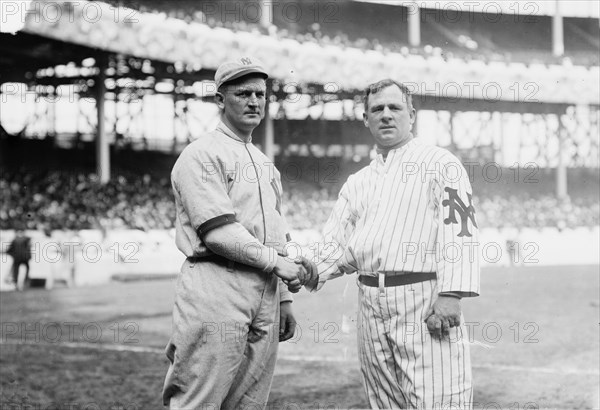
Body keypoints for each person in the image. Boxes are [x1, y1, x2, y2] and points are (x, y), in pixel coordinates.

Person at [307, 79, 480, 409]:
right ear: (365, 119)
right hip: (370, 301)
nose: (386, 115)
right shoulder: (358, 183)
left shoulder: (441, 163)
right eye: (377, 109)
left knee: (439, 400)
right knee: (385, 403)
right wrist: (305, 268)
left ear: (411, 115)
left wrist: (452, 294)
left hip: (422, 298)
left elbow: (461, 231)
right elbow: (335, 245)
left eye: (395, 107)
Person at [162, 57, 315, 410]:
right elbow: (217, 232)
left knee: (249, 402)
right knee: (198, 399)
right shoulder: (200, 154)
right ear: (220, 100)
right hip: (216, 284)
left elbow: (276, 233)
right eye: (243, 93)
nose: (254, 101)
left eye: (260, 94)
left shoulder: (264, 164)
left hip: (264, 290)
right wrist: (276, 263)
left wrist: (285, 301)